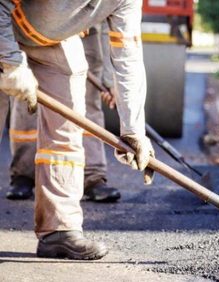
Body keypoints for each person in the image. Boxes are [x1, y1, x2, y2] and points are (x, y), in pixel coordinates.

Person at [0, 0, 155, 260]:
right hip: (4, 25)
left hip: (51, 39)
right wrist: (12, 62)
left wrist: (133, 130)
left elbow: (127, 54)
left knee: (67, 124)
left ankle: (59, 230)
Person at [6, 23, 121, 203]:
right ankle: (24, 174)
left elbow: (114, 29)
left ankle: (92, 177)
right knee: (27, 97)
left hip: (86, 34)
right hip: (33, 29)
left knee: (86, 101)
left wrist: (109, 78)